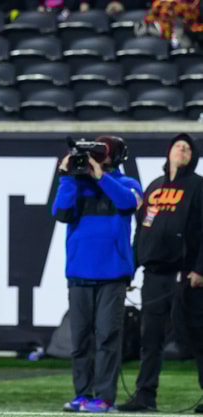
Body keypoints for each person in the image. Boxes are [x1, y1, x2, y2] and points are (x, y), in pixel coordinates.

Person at [52, 136, 143, 413]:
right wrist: (67, 177)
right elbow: (61, 213)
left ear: (114, 158)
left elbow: (128, 203)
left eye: (102, 153)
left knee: (107, 337)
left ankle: (104, 397)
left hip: (113, 275)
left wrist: (101, 177)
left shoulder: (128, 184)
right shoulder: (76, 184)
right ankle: (82, 394)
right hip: (79, 272)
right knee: (80, 339)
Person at [120, 134, 203, 412]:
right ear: (168, 153)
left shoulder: (198, 187)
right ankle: (145, 396)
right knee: (150, 340)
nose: (182, 150)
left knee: (197, 338)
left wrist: (199, 269)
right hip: (153, 276)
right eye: (178, 146)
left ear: (193, 157)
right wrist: (130, 271)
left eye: (188, 148)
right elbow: (140, 232)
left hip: (185, 277)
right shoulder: (154, 188)